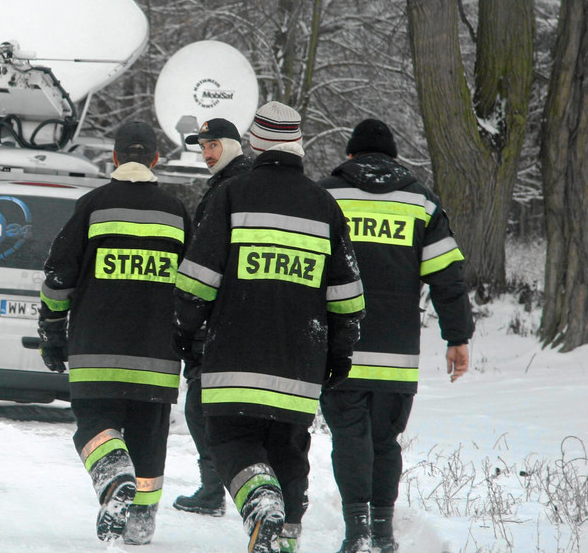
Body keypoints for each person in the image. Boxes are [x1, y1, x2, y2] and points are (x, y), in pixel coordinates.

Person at [173, 101, 365, 553]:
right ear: (298, 144)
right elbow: (348, 296)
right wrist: (339, 354)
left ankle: (260, 502)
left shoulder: (231, 196)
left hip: (233, 358)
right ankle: (285, 543)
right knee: (289, 453)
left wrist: (184, 332)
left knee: (231, 439)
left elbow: (196, 280)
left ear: (254, 143)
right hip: (301, 363)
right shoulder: (324, 206)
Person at [318, 119, 474, 553]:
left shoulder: (327, 195)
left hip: (339, 348)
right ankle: (383, 533)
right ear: (393, 159)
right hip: (396, 354)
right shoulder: (421, 202)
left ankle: (356, 533)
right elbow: (448, 277)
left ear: (351, 156)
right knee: (385, 441)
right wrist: (457, 337)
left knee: (350, 436)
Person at [38, 120, 192, 546]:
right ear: (157, 160)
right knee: (149, 441)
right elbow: (195, 287)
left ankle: (113, 476)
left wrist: (52, 333)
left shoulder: (92, 206)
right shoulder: (176, 213)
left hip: (96, 354)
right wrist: (194, 344)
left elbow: (57, 280)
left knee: (95, 426)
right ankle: (140, 526)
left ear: (115, 157)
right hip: (158, 359)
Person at [174, 118, 254, 518]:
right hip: (238, 314)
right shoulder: (233, 184)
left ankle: (216, 489)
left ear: (232, 145)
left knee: (201, 404)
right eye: (202, 148)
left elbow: (208, 263)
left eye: (212, 146)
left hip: (221, 315)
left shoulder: (229, 190)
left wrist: (191, 320)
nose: (206, 155)